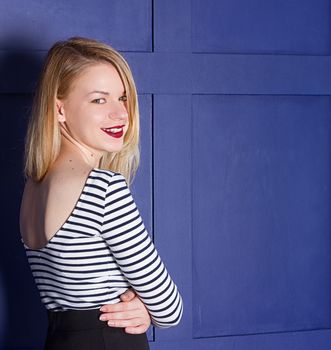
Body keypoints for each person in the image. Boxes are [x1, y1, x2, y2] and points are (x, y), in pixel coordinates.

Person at [19, 37, 183, 350]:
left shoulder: (33, 186)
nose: (121, 113)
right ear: (60, 109)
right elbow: (169, 307)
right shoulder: (104, 187)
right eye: (99, 100)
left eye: (122, 98)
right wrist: (147, 310)